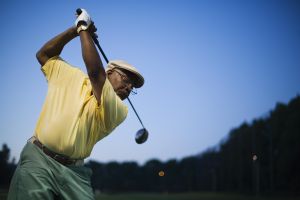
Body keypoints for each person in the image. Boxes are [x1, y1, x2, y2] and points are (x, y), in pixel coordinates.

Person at [7, 9, 144, 200]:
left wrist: (83, 29)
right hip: (38, 158)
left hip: (75, 172)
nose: (129, 88)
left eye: (133, 87)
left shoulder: (120, 110)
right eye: (126, 79)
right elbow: (43, 55)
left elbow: (96, 74)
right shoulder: (72, 76)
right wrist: (74, 31)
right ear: (110, 71)